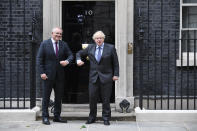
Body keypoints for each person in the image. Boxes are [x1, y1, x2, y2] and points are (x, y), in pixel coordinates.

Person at [76, 31, 119, 125]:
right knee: (92, 99)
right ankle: (92, 118)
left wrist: (116, 74)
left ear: (103, 39)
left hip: (106, 77)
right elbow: (79, 53)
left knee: (106, 99)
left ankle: (106, 118)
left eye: (101, 38)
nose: (99, 40)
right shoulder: (90, 47)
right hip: (93, 77)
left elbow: (115, 63)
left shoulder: (110, 48)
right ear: (94, 39)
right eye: (97, 38)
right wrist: (78, 60)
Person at [37, 27, 73, 125]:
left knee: (58, 97)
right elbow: (39, 59)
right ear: (52, 33)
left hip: (60, 76)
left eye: (60, 34)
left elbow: (71, 55)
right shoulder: (44, 44)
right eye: (57, 33)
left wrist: (67, 61)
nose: (58, 35)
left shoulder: (63, 44)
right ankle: (45, 117)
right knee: (46, 97)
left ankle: (57, 116)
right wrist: (42, 72)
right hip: (47, 75)